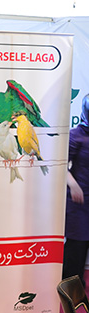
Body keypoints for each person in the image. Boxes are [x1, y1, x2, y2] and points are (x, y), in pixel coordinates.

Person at [63, 94, 89, 284]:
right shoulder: (76, 135)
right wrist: (72, 184)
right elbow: (60, 165)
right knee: (75, 255)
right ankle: (70, 295)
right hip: (79, 205)